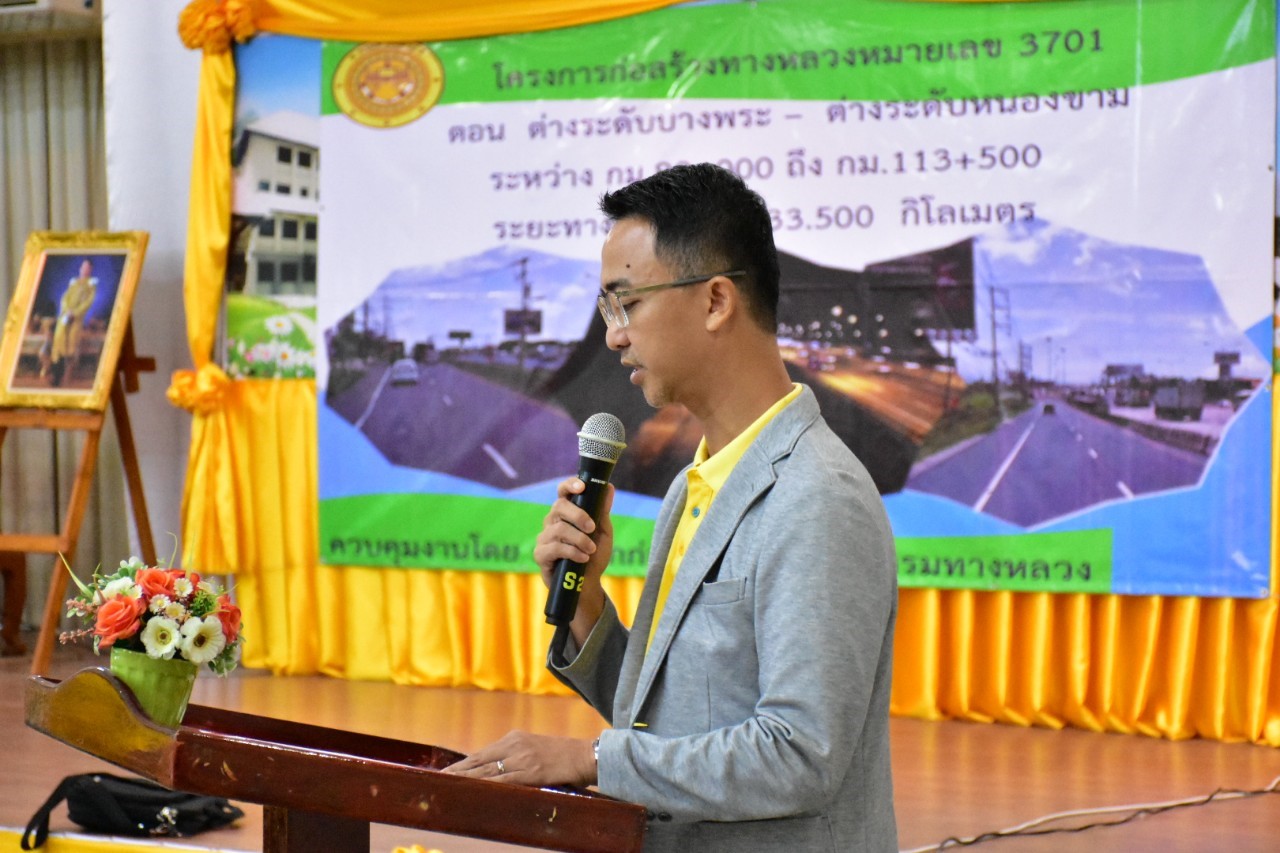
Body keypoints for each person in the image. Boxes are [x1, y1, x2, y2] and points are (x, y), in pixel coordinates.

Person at [445, 164, 898, 852]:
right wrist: (586, 604)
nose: (614, 336)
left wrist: (591, 759)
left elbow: (801, 754)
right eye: (608, 311)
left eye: (626, 303)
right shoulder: (693, 484)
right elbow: (667, 716)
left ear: (715, 301)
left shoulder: (818, 496)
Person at [49, 258, 98, 385]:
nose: (85, 269)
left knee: (71, 344)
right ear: (80, 268)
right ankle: (56, 374)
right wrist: (67, 310)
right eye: (83, 267)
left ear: (90, 270)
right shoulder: (73, 282)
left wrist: (75, 313)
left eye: (88, 268)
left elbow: (88, 302)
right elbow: (65, 298)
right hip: (65, 316)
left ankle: (66, 376)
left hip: (76, 319)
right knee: (59, 341)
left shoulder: (91, 285)